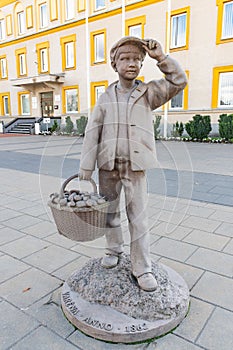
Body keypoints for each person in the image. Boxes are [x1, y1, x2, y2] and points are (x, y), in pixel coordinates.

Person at [79, 36, 187, 292]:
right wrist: (86, 165)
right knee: (109, 214)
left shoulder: (149, 92)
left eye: (137, 59)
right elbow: (92, 130)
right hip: (108, 165)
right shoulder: (105, 97)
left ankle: (142, 267)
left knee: (138, 218)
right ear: (114, 64)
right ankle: (113, 250)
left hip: (135, 166)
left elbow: (179, 81)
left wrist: (161, 57)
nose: (132, 63)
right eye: (125, 59)